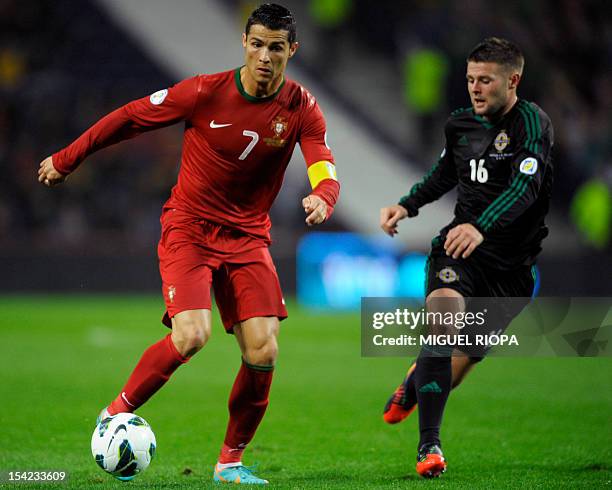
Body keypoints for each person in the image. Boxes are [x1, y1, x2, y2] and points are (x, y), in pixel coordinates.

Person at [38, 4, 339, 485]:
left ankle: (230, 463)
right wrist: (68, 158)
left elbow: (321, 157)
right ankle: (112, 414)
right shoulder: (203, 91)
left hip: (247, 236)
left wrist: (325, 194)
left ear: (292, 51)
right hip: (191, 229)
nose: (265, 56)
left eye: (276, 48)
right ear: (244, 41)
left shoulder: (301, 106)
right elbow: (130, 117)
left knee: (263, 351)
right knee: (191, 335)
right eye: (257, 44)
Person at [379, 37, 553, 478]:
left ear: (512, 81)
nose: (475, 88)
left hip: (511, 271)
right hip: (458, 251)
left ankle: (416, 379)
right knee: (442, 326)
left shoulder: (532, 125)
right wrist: (407, 205)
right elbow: (443, 174)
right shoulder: (460, 125)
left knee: (455, 368)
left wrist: (483, 224)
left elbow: (524, 188)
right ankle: (429, 447)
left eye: (486, 81)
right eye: (471, 79)